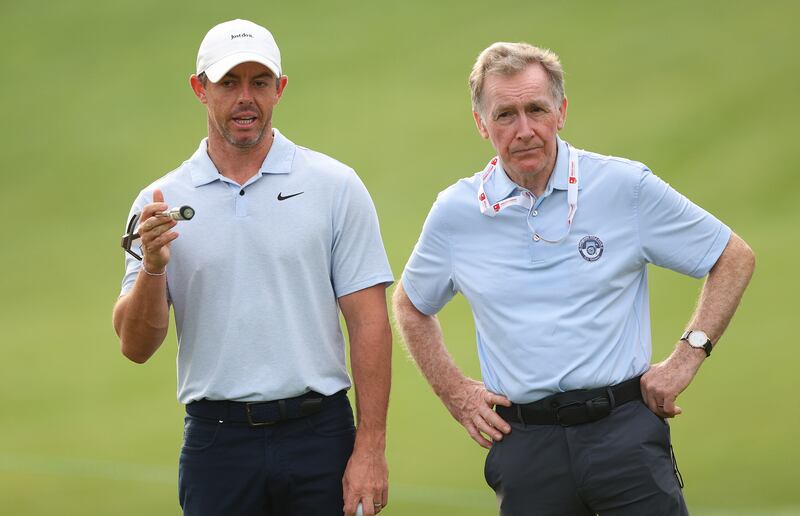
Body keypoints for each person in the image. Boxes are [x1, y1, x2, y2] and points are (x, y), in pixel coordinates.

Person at [392, 42, 755, 515]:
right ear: (481, 124)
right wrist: (456, 392)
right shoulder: (457, 213)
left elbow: (732, 256)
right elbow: (411, 303)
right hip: (526, 446)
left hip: (624, 434)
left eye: (536, 109)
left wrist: (688, 355)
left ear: (561, 111)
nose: (524, 130)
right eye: (505, 115)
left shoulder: (624, 187)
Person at [113, 19, 392, 516]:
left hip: (320, 436)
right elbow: (135, 346)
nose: (246, 97)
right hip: (216, 446)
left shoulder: (334, 185)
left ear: (279, 89)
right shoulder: (159, 202)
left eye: (259, 82)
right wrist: (154, 268)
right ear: (200, 89)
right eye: (229, 83)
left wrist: (370, 448)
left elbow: (368, 322)